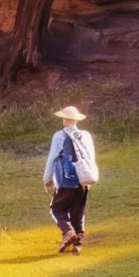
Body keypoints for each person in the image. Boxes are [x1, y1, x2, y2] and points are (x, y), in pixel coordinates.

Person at [43, 105, 97, 254]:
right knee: (78, 212)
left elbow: (53, 158)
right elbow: (91, 157)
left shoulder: (59, 136)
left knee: (56, 209)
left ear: (64, 120)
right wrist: (90, 178)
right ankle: (77, 244)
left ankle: (68, 232)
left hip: (65, 180)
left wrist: (47, 179)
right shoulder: (86, 135)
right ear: (76, 120)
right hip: (83, 179)